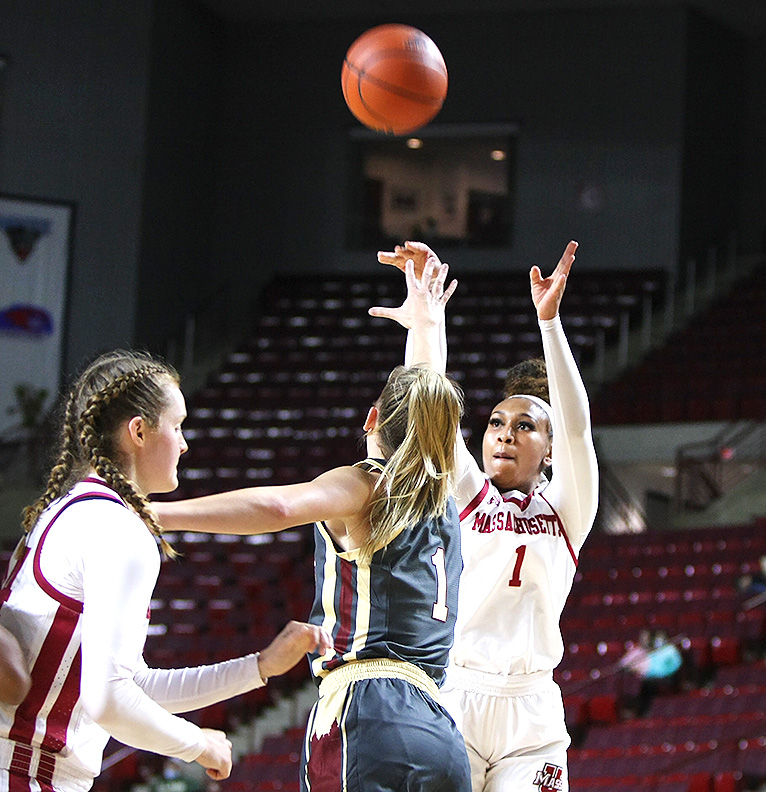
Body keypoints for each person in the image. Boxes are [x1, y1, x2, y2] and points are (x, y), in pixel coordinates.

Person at [0, 349, 331, 792]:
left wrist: (259, 667)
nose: (184, 442)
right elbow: (109, 701)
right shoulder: (118, 529)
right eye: (177, 426)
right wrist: (196, 744)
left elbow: (130, 684)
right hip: (29, 774)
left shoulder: (65, 510)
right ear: (138, 431)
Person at [153, 358, 472, 792]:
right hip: (443, 730)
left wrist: (155, 514)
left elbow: (280, 508)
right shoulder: (448, 509)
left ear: (372, 418)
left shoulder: (369, 486)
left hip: (369, 711)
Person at [373, 240, 599, 792]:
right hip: (458, 691)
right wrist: (427, 323)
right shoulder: (470, 494)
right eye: (497, 422)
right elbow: (427, 404)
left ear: (548, 451)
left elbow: (576, 429)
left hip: (534, 710)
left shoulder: (568, 511)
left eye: (525, 426)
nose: (504, 433)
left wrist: (550, 324)